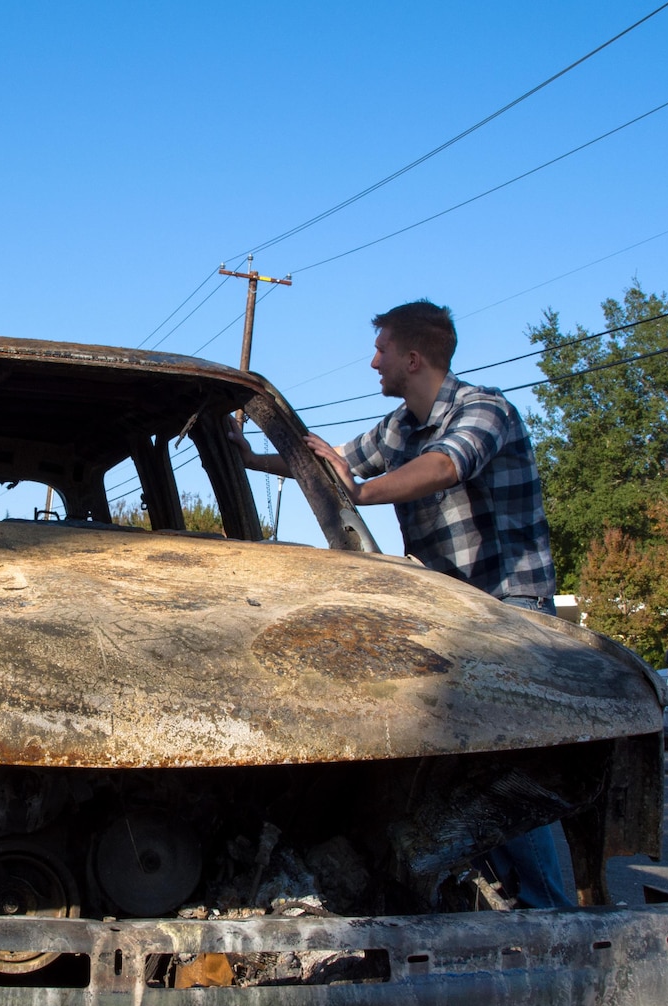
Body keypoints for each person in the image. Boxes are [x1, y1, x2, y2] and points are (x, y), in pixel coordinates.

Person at [232, 299, 575, 908]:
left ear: (413, 358)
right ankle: (490, 898)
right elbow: (324, 466)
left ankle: (552, 910)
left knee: (507, 765)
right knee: (460, 766)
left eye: (381, 350)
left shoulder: (485, 410)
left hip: (512, 606)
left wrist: (360, 490)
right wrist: (248, 455)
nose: (373, 362)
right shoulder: (399, 428)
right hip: (453, 614)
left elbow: (446, 467)